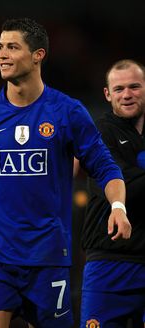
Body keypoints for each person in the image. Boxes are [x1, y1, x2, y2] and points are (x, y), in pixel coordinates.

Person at [0, 18, 131, 328]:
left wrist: (118, 208)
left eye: (13, 47)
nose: (3, 54)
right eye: (0, 47)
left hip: (48, 259)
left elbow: (106, 168)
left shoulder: (67, 112)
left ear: (38, 54)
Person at [80, 59, 145, 328]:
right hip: (109, 263)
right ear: (107, 94)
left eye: (134, 87)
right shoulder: (99, 134)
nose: (126, 94)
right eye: (118, 89)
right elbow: (123, 186)